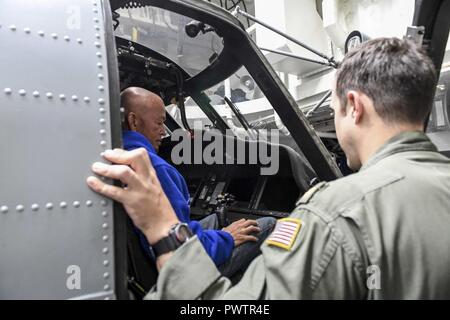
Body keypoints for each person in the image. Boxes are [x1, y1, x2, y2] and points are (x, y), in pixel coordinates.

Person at [87, 38, 450, 299]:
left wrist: (166, 230)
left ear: (353, 106)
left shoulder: (333, 214)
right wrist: (226, 235)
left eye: (337, 109)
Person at [119, 87, 276, 278]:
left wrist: (222, 232)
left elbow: (174, 226)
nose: (163, 131)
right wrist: (227, 238)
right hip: (179, 271)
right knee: (268, 224)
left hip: (148, 261)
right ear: (133, 121)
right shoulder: (153, 168)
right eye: (159, 123)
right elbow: (179, 247)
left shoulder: (120, 156)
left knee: (216, 219)